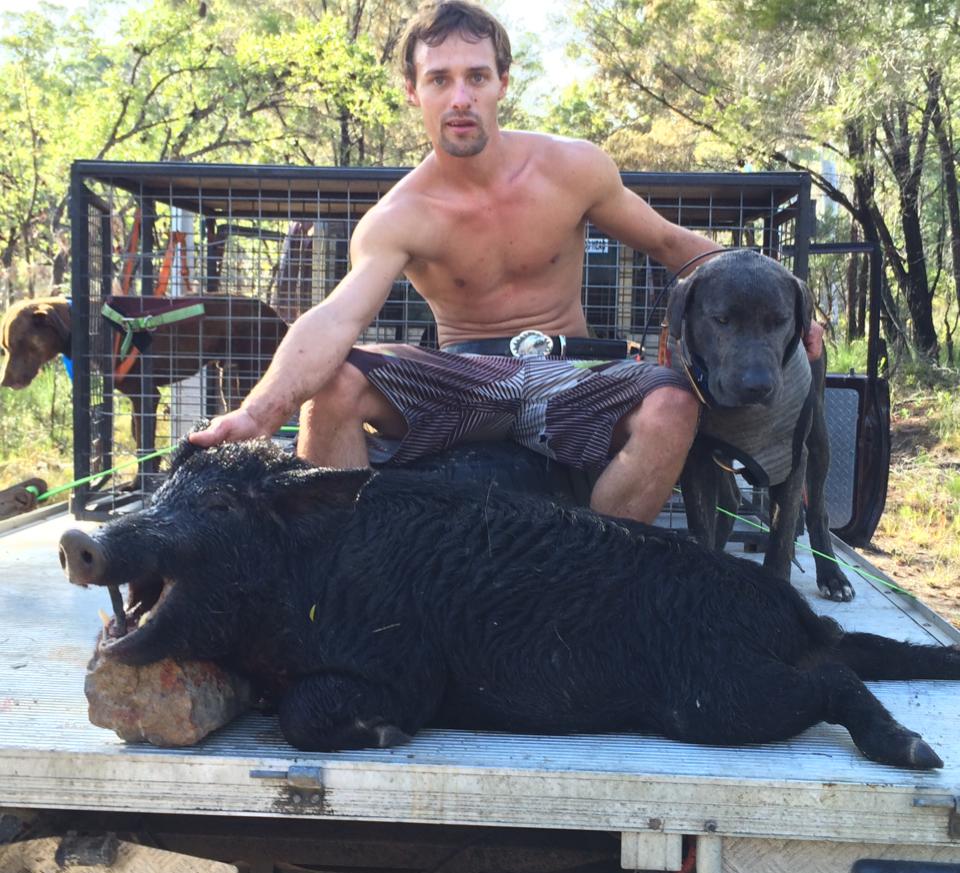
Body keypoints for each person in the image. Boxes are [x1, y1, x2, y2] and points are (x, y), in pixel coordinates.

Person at [190, 0, 823, 524]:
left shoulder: (573, 168)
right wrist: (257, 413)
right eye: (439, 79)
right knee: (333, 386)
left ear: (502, 83)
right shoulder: (397, 216)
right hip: (465, 379)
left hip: (574, 378)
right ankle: (347, 579)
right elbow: (334, 320)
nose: (459, 96)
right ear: (414, 92)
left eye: (476, 76)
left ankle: (593, 577)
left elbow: (672, 243)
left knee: (672, 403)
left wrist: (790, 305)